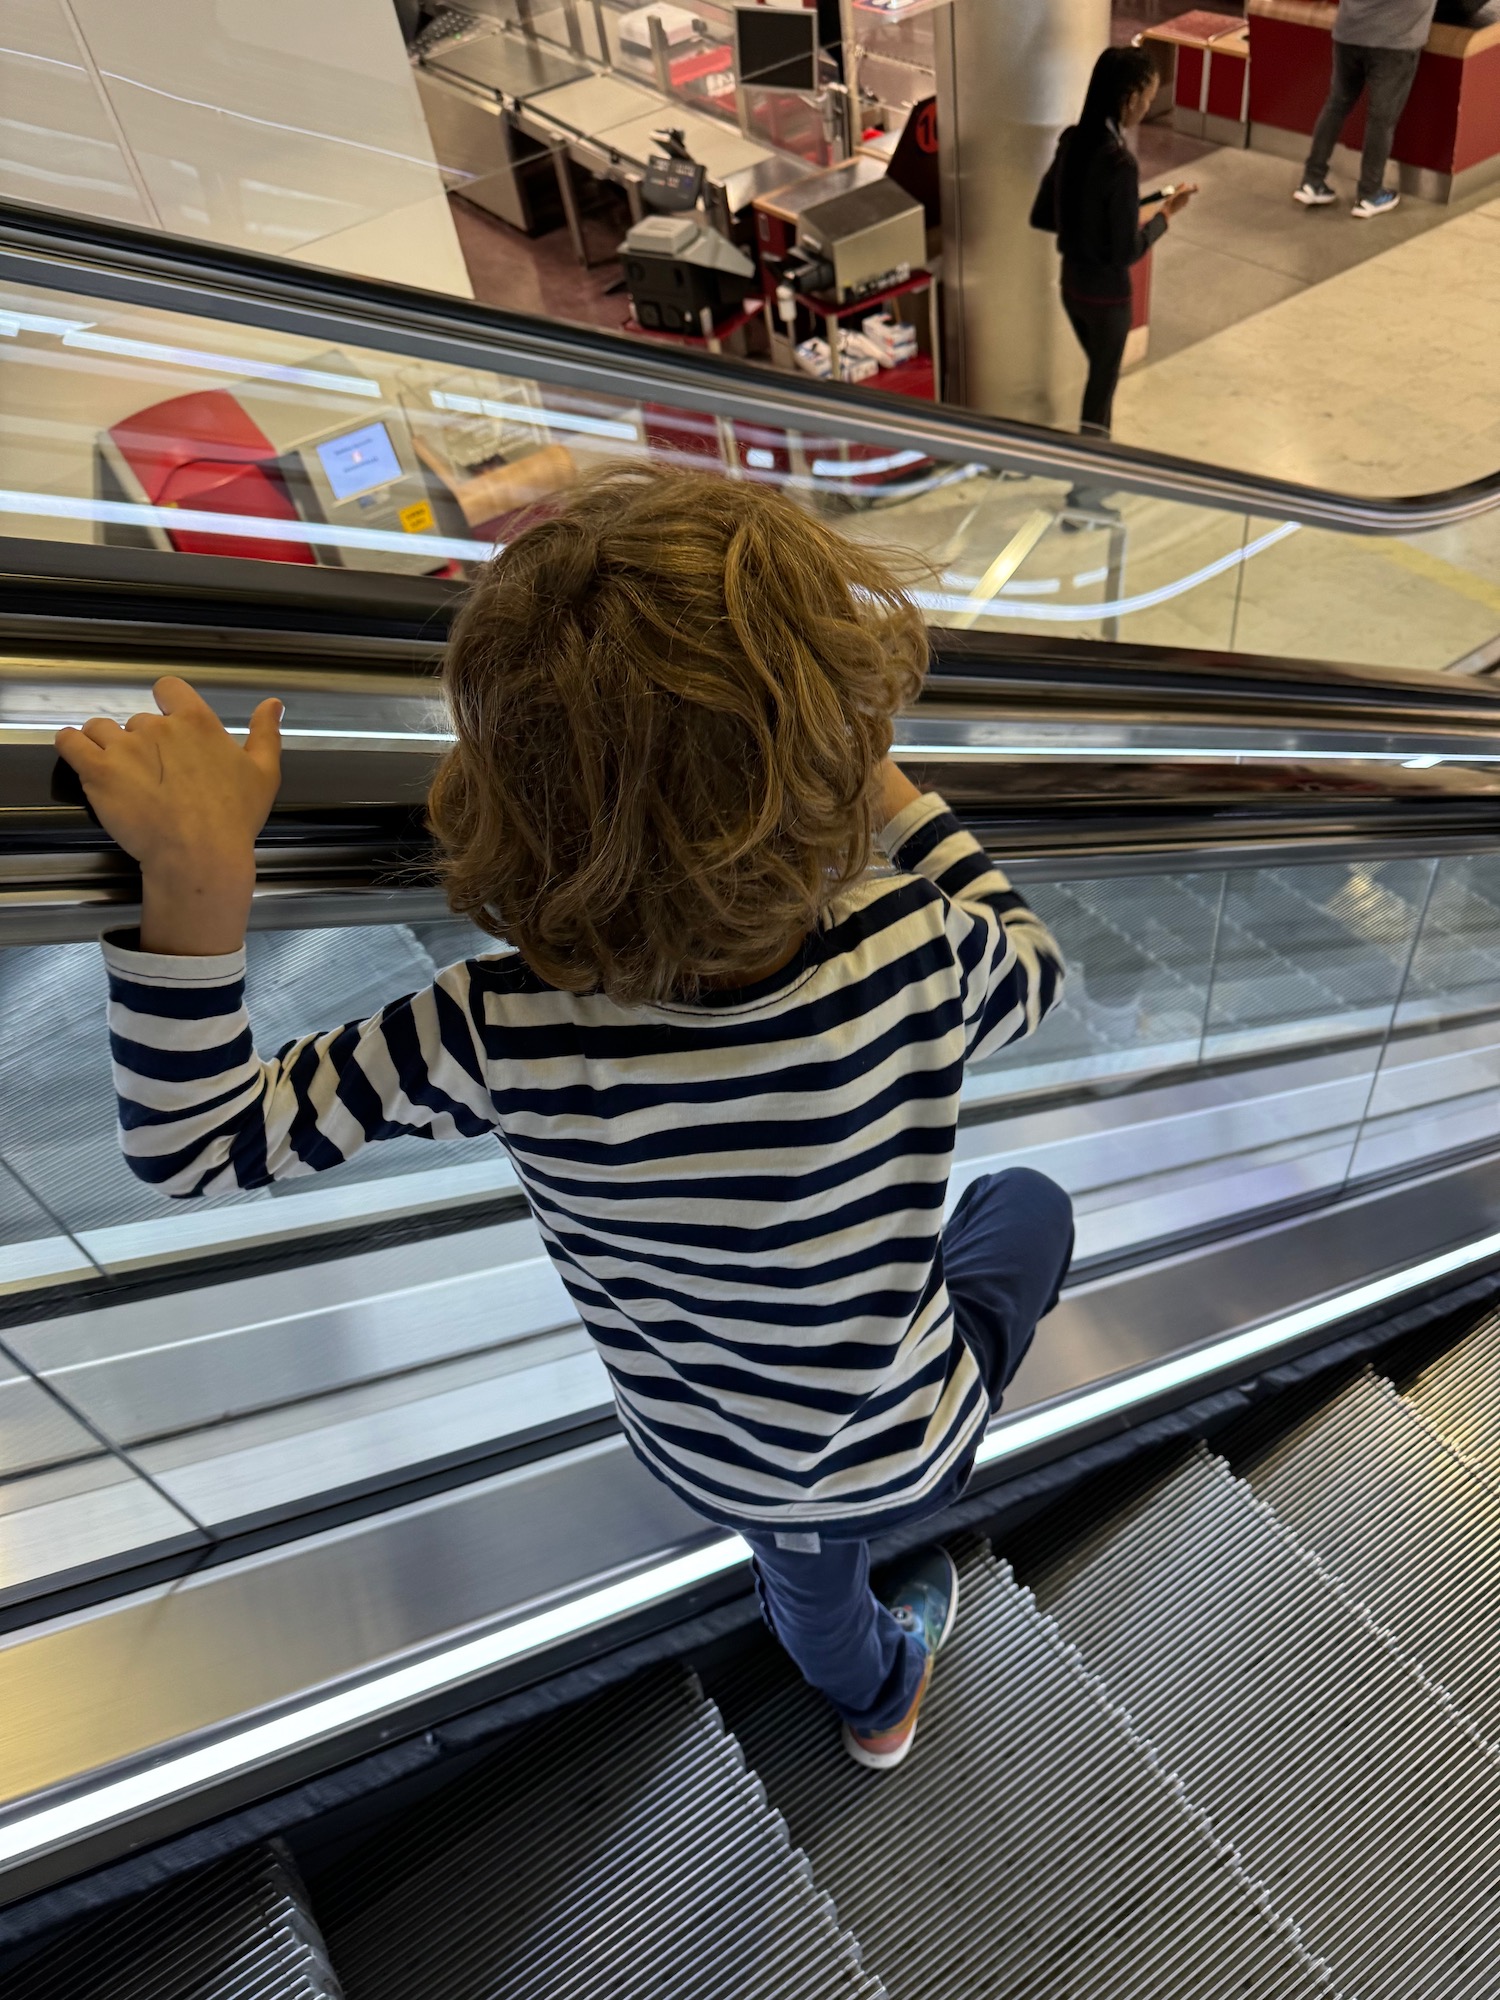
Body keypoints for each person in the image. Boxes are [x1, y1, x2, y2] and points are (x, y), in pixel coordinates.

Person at [56, 468, 1072, 1774]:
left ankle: (879, 1700)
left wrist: (198, 884)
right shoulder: (916, 940)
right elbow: (1035, 971)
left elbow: (200, 1140)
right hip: (909, 1426)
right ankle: (876, 1650)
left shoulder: (498, 1026)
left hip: (711, 1447)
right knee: (1025, 1212)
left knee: (808, 1584)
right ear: (830, 757)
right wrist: (882, 786)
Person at [1031, 45, 1197, 444]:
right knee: (1100, 391)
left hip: (1072, 287)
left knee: (1100, 378)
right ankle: (1088, 486)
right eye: (1148, 98)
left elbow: (1044, 214)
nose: (1147, 107)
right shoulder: (1120, 164)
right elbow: (1126, 251)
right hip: (1108, 299)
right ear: (1131, 98)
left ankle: (1093, 472)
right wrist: (1164, 217)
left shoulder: (1072, 141)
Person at [1294, 0, 1440, 218]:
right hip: (1394, 41)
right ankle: (1370, 193)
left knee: (1337, 104)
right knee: (1381, 119)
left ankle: (1312, 180)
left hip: (1350, 31)